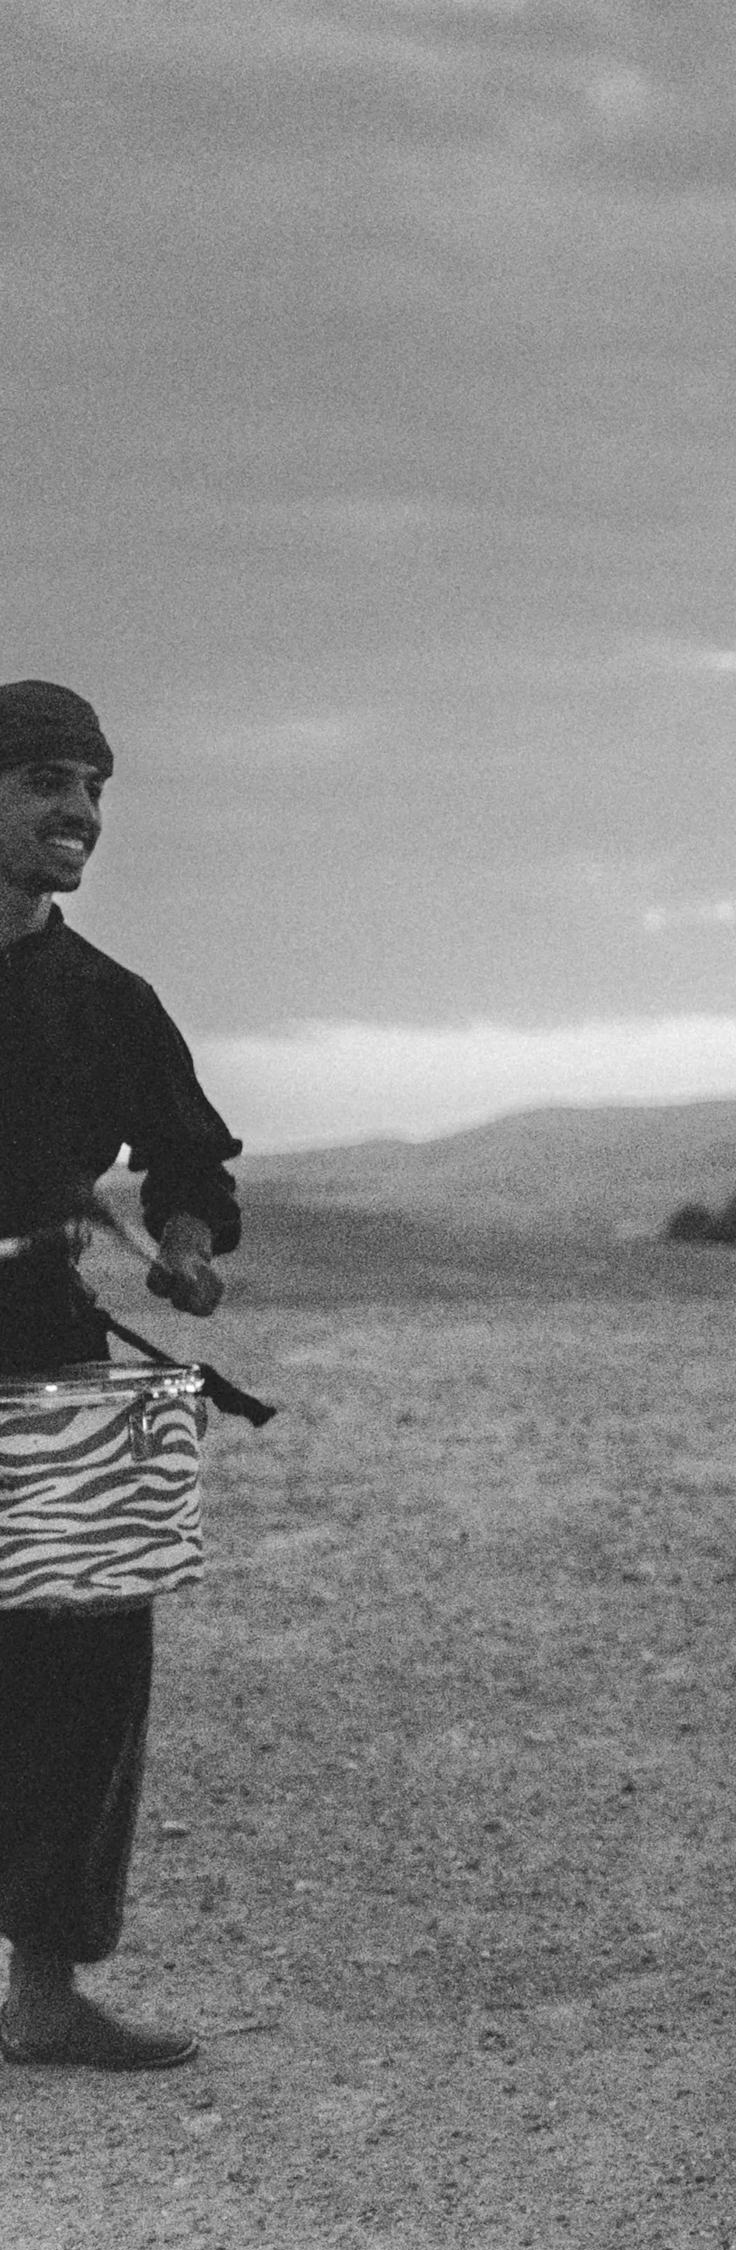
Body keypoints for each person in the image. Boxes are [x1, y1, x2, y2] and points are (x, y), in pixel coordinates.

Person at [0, 681, 240, 2075]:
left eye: (93, 785)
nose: (80, 811)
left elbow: (188, 1159)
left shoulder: (109, 1001)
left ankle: (42, 1995)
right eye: (45, 779)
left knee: (86, 1671)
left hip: (52, 1357)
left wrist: (190, 1245)